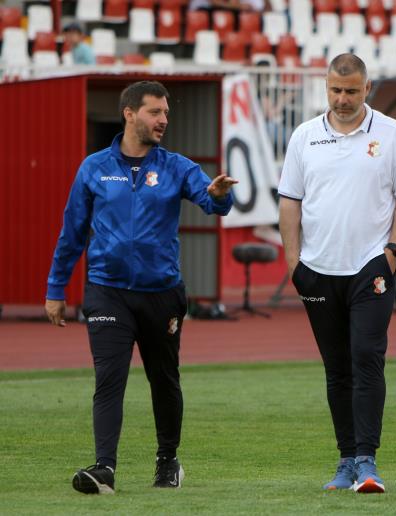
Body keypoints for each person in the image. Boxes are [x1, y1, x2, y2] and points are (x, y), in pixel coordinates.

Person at [45, 81, 238, 494]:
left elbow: (210, 200)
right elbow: (72, 232)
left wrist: (220, 196)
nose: (163, 119)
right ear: (130, 114)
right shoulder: (93, 167)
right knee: (109, 379)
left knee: (163, 379)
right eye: (155, 112)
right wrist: (55, 288)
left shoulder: (177, 166)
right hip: (107, 291)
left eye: (166, 112)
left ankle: (168, 462)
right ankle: (104, 469)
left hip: (162, 294)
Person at [278, 53, 396, 494]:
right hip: (318, 271)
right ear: (326, 87)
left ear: (367, 88)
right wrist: (294, 264)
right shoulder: (304, 137)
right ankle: (345, 460)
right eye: (336, 90)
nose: (342, 99)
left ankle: (367, 460)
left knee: (366, 357)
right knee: (337, 368)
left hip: (370, 268)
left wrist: (391, 253)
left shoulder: (392, 133)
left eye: (351, 91)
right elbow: (290, 202)